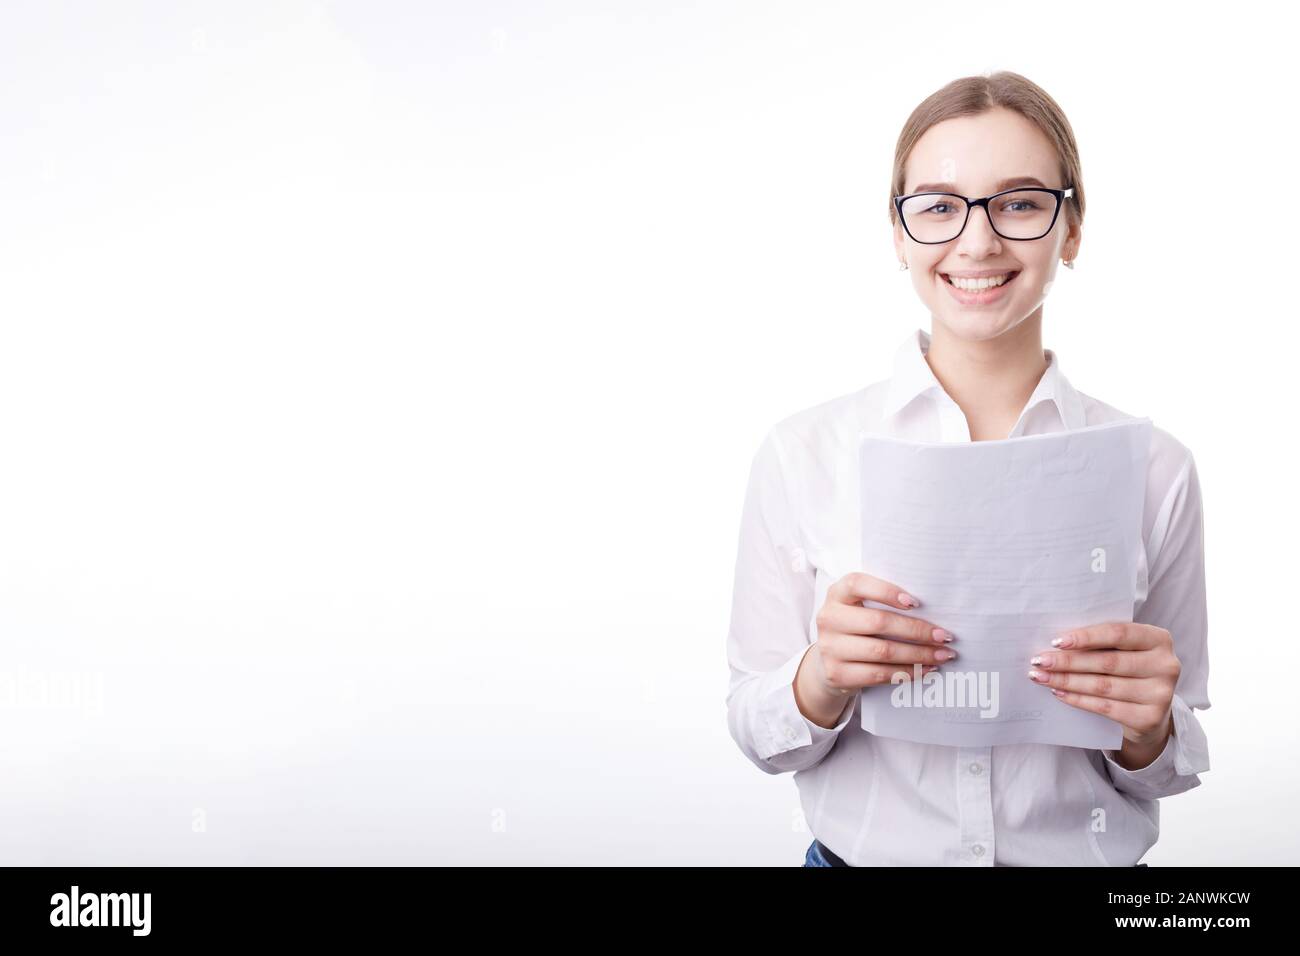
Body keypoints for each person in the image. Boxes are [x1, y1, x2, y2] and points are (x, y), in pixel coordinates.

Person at [724, 71, 1210, 867]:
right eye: (940, 206)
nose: (977, 242)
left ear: (1072, 228)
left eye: (1019, 203)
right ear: (899, 233)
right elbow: (758, 729)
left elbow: (1170, 760)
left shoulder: (1157, 470)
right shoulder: (802, 452)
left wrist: (1149, 726)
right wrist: (822, 677)